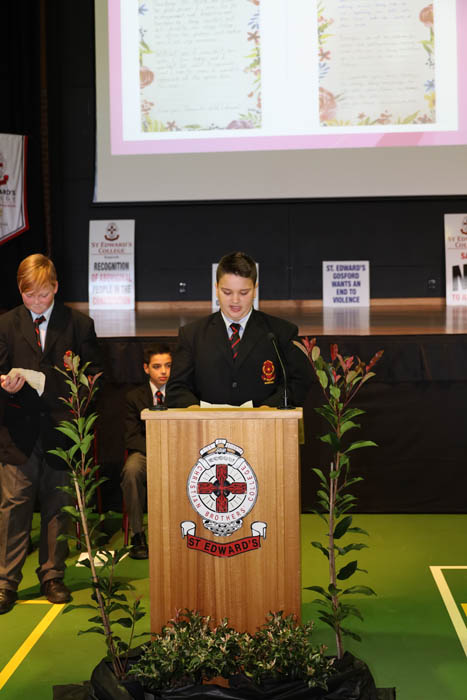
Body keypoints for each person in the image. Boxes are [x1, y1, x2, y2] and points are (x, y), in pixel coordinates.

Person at [0, 254, 101, 613]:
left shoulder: (79, 324)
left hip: (61, 430)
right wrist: (5, 385)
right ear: (20, 290)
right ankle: (5, 582)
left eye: (43, 294)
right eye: (29, 295)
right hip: (17, 431)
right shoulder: (6, 324)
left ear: (56, 287)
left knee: (59, 505)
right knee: (14, 506)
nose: (37, 302)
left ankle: (53, 575)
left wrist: (66, 395)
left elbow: (93, 378)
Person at [166, 251, 312, 408]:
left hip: (265, 422)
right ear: (216, 289)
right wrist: (196, 412)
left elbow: (298, 382)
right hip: (207, 423)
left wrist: (268, 410)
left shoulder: (282, 332)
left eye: (243, 293)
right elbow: (177, 389)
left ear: (255, 289)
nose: (235, 300)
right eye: (227, 292)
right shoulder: (192, 334)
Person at [121, 343, 172, 559]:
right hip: (145, 452)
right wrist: (156, 452)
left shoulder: (182, 394)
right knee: (132, 471)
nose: (163, 371)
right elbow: (131, 437)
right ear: (146, 368)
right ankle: (138, 535)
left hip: (176, 452)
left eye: (168, 366)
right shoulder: (134, 397)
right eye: (157, 366)